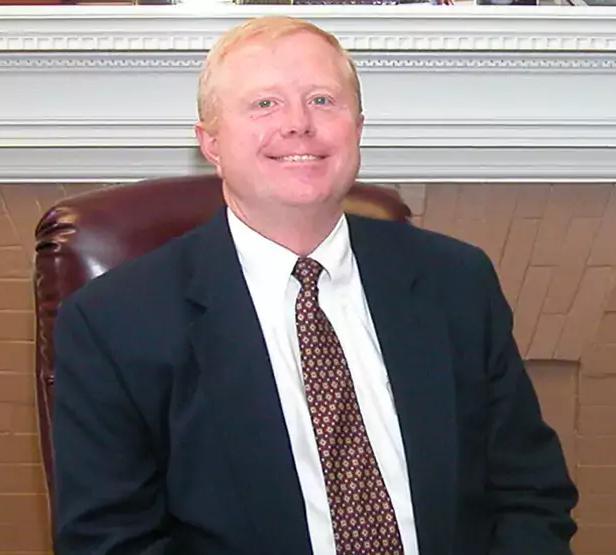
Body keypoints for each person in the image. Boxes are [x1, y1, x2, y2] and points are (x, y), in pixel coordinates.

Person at [51, 15, 578, 555]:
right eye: (264, 104)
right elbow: (109, 543)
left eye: (323, 100)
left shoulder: (457, 281)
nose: (299, 123)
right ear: (210, 143)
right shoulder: (115, 323)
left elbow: (531, 496)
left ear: (359, 127)